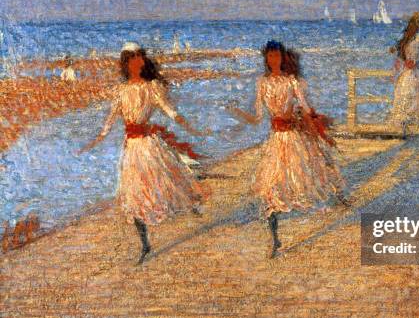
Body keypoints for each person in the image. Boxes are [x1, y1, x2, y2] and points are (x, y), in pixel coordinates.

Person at [80, 42, 209, 264]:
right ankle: (145, 244)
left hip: (148, 146)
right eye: (132, 58)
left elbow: (170, 112)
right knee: (133, 195)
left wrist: (192, 129)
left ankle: (190, 204)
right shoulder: (121, 90)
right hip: (131, 148)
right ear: (126, 63)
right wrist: (94, 142)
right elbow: (109, 122)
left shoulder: (151, 87)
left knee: (165, 184)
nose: (137, 62)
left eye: (140, 57)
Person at [229, 40, 347, 258]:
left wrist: (315, 123)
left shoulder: (292, 81)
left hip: (293, 138)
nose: (273, 60)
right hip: (276, 141)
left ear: (283, 58)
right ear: (266, 58)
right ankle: (275, 241)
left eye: (277, 56)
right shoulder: (262, 83)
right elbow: (257, 117)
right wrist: (236, 112)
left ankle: (338, 193)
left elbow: (306, 106)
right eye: (270, 56)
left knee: (307, 177)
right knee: (269, 190)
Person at [389, 12, 419, 136]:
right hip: (410, 73)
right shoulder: (410, 39)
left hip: (411, 73)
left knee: (411, 99)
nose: (415, 28)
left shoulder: (412, 40)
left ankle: (413, 126)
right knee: (408, 98)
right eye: (414, 25)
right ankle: (408, 127)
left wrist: (414, 62)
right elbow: (400, 54)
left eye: (415, 26)